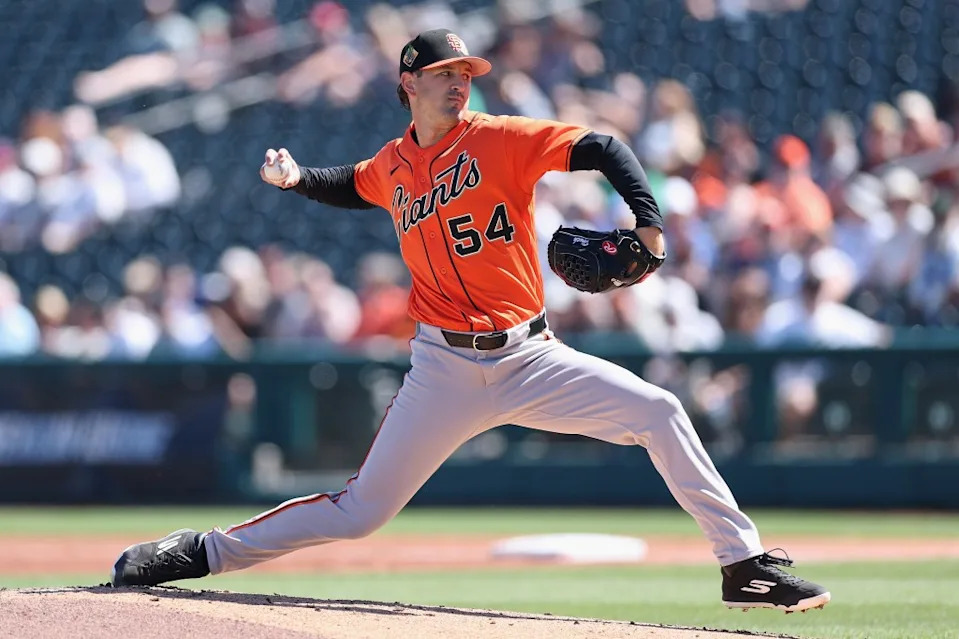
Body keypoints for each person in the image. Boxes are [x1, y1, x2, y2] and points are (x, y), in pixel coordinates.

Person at [111, 28, 830, 613]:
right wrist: (299, 179)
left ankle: (743, 565)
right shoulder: (392, 164)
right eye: (444, 72)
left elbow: (604, 147)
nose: (460, 82)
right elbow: (353, 185)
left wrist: (648, 223)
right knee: (361, 510)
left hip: (530, 355)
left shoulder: (499, 137)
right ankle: (201, 551)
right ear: (408, 84)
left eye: (465, 72)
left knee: (660, 409)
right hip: (443, 369)